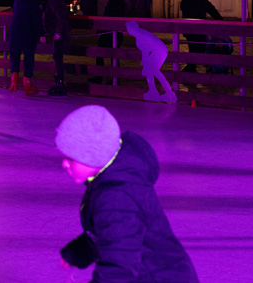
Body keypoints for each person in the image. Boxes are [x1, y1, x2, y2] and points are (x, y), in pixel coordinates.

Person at [55, 105, 199, 282]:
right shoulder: (109, 180)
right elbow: (110, 235)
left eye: (71, 158)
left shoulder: (117, 198)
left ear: (94, 157)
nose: (64, 164)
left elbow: (117, 268)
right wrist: (78, 252)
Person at [8, 0, 44, 95]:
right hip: (28, 33)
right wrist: (41, 33)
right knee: (28, 58)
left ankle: (14, 82)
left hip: (15, 32)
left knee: (15, 56)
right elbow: (36, 19)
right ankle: (27, 85)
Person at [179, 0, 224, 72]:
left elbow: (212, 10)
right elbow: (186, 10)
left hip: (201, 29)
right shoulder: (186, 1)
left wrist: (220, 20)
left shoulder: (203, 1)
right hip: (190, 30)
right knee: (193, 47)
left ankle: (192, 66)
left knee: (201, 48)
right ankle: (191, 67)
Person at [41, 0, 71, 96]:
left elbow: (60, 17)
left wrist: (58, 32)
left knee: (58, 57)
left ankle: (60, 83)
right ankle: (59, 82)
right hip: (58, 34)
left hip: (59, 35)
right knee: (57, 57)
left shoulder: (54, 1)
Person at [95, 0, 128, 82]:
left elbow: (106, 21)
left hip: (109, 35)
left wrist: (100, 32)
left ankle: (101, 76)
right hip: (115, 34)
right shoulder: (119, 5)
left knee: (101, 53)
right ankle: (115, 77)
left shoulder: (111, 7)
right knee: (113, 55)